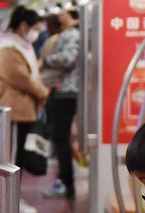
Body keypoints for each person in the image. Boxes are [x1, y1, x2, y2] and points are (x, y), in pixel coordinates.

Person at [0, 6, 50, 213]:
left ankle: (14, 198)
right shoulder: (9, 49)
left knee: (17, 157)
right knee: (13, 158)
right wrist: (42, 92)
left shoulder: (20, 46)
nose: (36, 33)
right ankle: (11, 201)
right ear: (24, 25)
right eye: (35, 28)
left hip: (23, 110)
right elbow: (22, 78)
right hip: (16, 111)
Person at [40, 8, 80, 201]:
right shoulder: (68, 34)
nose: (59, 15)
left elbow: (68, 59)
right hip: (62, 91)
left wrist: (46, 60)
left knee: (61, 138)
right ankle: (64, 180)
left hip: (65, 91)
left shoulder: (72, 35)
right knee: (60, 138)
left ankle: (66, 182)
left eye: (63, 11)